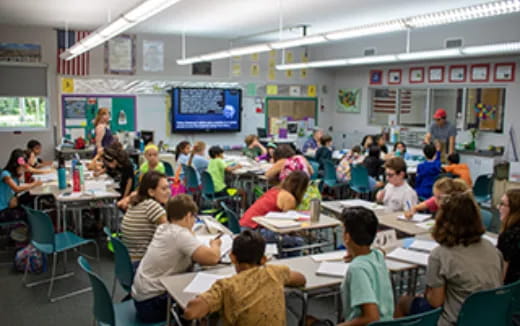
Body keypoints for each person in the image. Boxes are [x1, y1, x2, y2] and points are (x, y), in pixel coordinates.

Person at [395, 191, 503, 326]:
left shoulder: (440, 255)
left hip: (456, 320)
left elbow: (435, 302)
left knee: (403, 302)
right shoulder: (492, 248)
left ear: (442, 220)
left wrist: (426, 294)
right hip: (491, 316)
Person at [183, 230, 306, 325]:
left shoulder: (226, 286)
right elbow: (301, 279)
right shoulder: (276, 272)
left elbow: (191, 312)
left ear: (232, 257)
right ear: (264, 259)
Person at [132, 194, 222, 323]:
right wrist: (215, 245)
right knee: (204, 300)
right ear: (187, 217)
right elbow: (213, 258)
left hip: (142, 298)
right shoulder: (179, 235)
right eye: (193, 218)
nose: (194, 222)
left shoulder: (164, 228)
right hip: (152, 304)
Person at [338, 207, 394, 326]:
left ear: (347, 237)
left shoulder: (357, 269)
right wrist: (355, 254)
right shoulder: (377, 255)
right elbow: (381, 251)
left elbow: (371, 318)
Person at [121, 171, 169, 262]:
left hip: (130, 260)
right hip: (142, 262)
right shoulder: (151, 206)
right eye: (164, 189)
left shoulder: (136, 202)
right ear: (151, 192)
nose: (168, 192)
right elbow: (173, 232)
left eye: (168, 188)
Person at [240, 171, 309, 229]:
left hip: (244, 224)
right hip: (254, 230)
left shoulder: (275, 190)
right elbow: (289, 224)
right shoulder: (289, 198)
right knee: (299, 241)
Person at [0, 149, 42, 223]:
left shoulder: (15, 177)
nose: (24, 169)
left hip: (9, 205)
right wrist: (34, 184)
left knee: (30, 197)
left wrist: (14, 198)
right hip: (2, 209)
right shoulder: (5, 175)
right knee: (28, 215)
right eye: (22, 167)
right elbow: (16, 188)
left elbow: (13, 193)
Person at [497, 189, 520, 284]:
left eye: (503, 204)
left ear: (514, 209)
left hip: (511, 290)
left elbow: (500, 276)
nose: (498, 207)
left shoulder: (509, 236)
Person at [102, 142, 135, 207]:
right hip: (120, 187)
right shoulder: (117, 164)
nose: (110, 165)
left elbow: (129, 182)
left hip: (126, 191)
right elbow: (110, 168)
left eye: (111, 163)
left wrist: (124, 197)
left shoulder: (127, 166)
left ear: (115, 161)